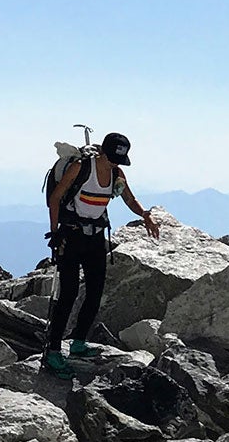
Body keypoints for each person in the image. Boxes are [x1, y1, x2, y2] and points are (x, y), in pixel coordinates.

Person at [43, 132, 158, 377]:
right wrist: (55, 234)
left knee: (95, 292)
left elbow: (128, 197)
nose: (116, 163)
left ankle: (78, 343)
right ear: (103, 152)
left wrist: (145, 214)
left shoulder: (117, 174)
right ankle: (53, 351)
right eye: (113, 158)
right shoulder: (80, 168)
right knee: (69, 293)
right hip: (71, 236)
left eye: (120, 159)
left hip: (95, 238)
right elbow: (55, 198)